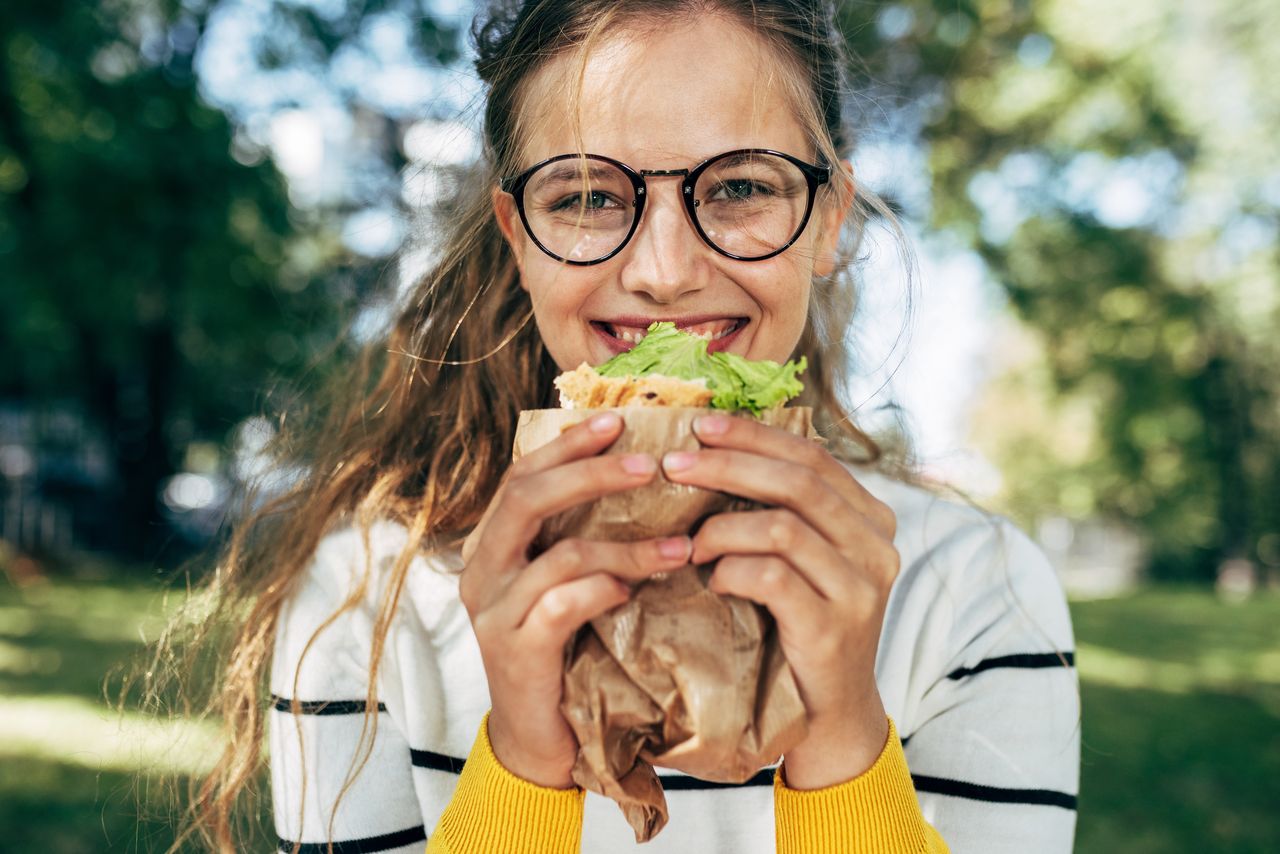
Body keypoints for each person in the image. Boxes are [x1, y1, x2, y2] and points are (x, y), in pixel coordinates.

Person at [170, 1, 1079, 852]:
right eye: (588, 197)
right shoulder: (365, 597)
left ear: (829, 217)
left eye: (738, 187)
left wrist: (843, 744)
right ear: (518, 235)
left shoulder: (975, 592)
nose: (664, 271)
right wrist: (524, 770)